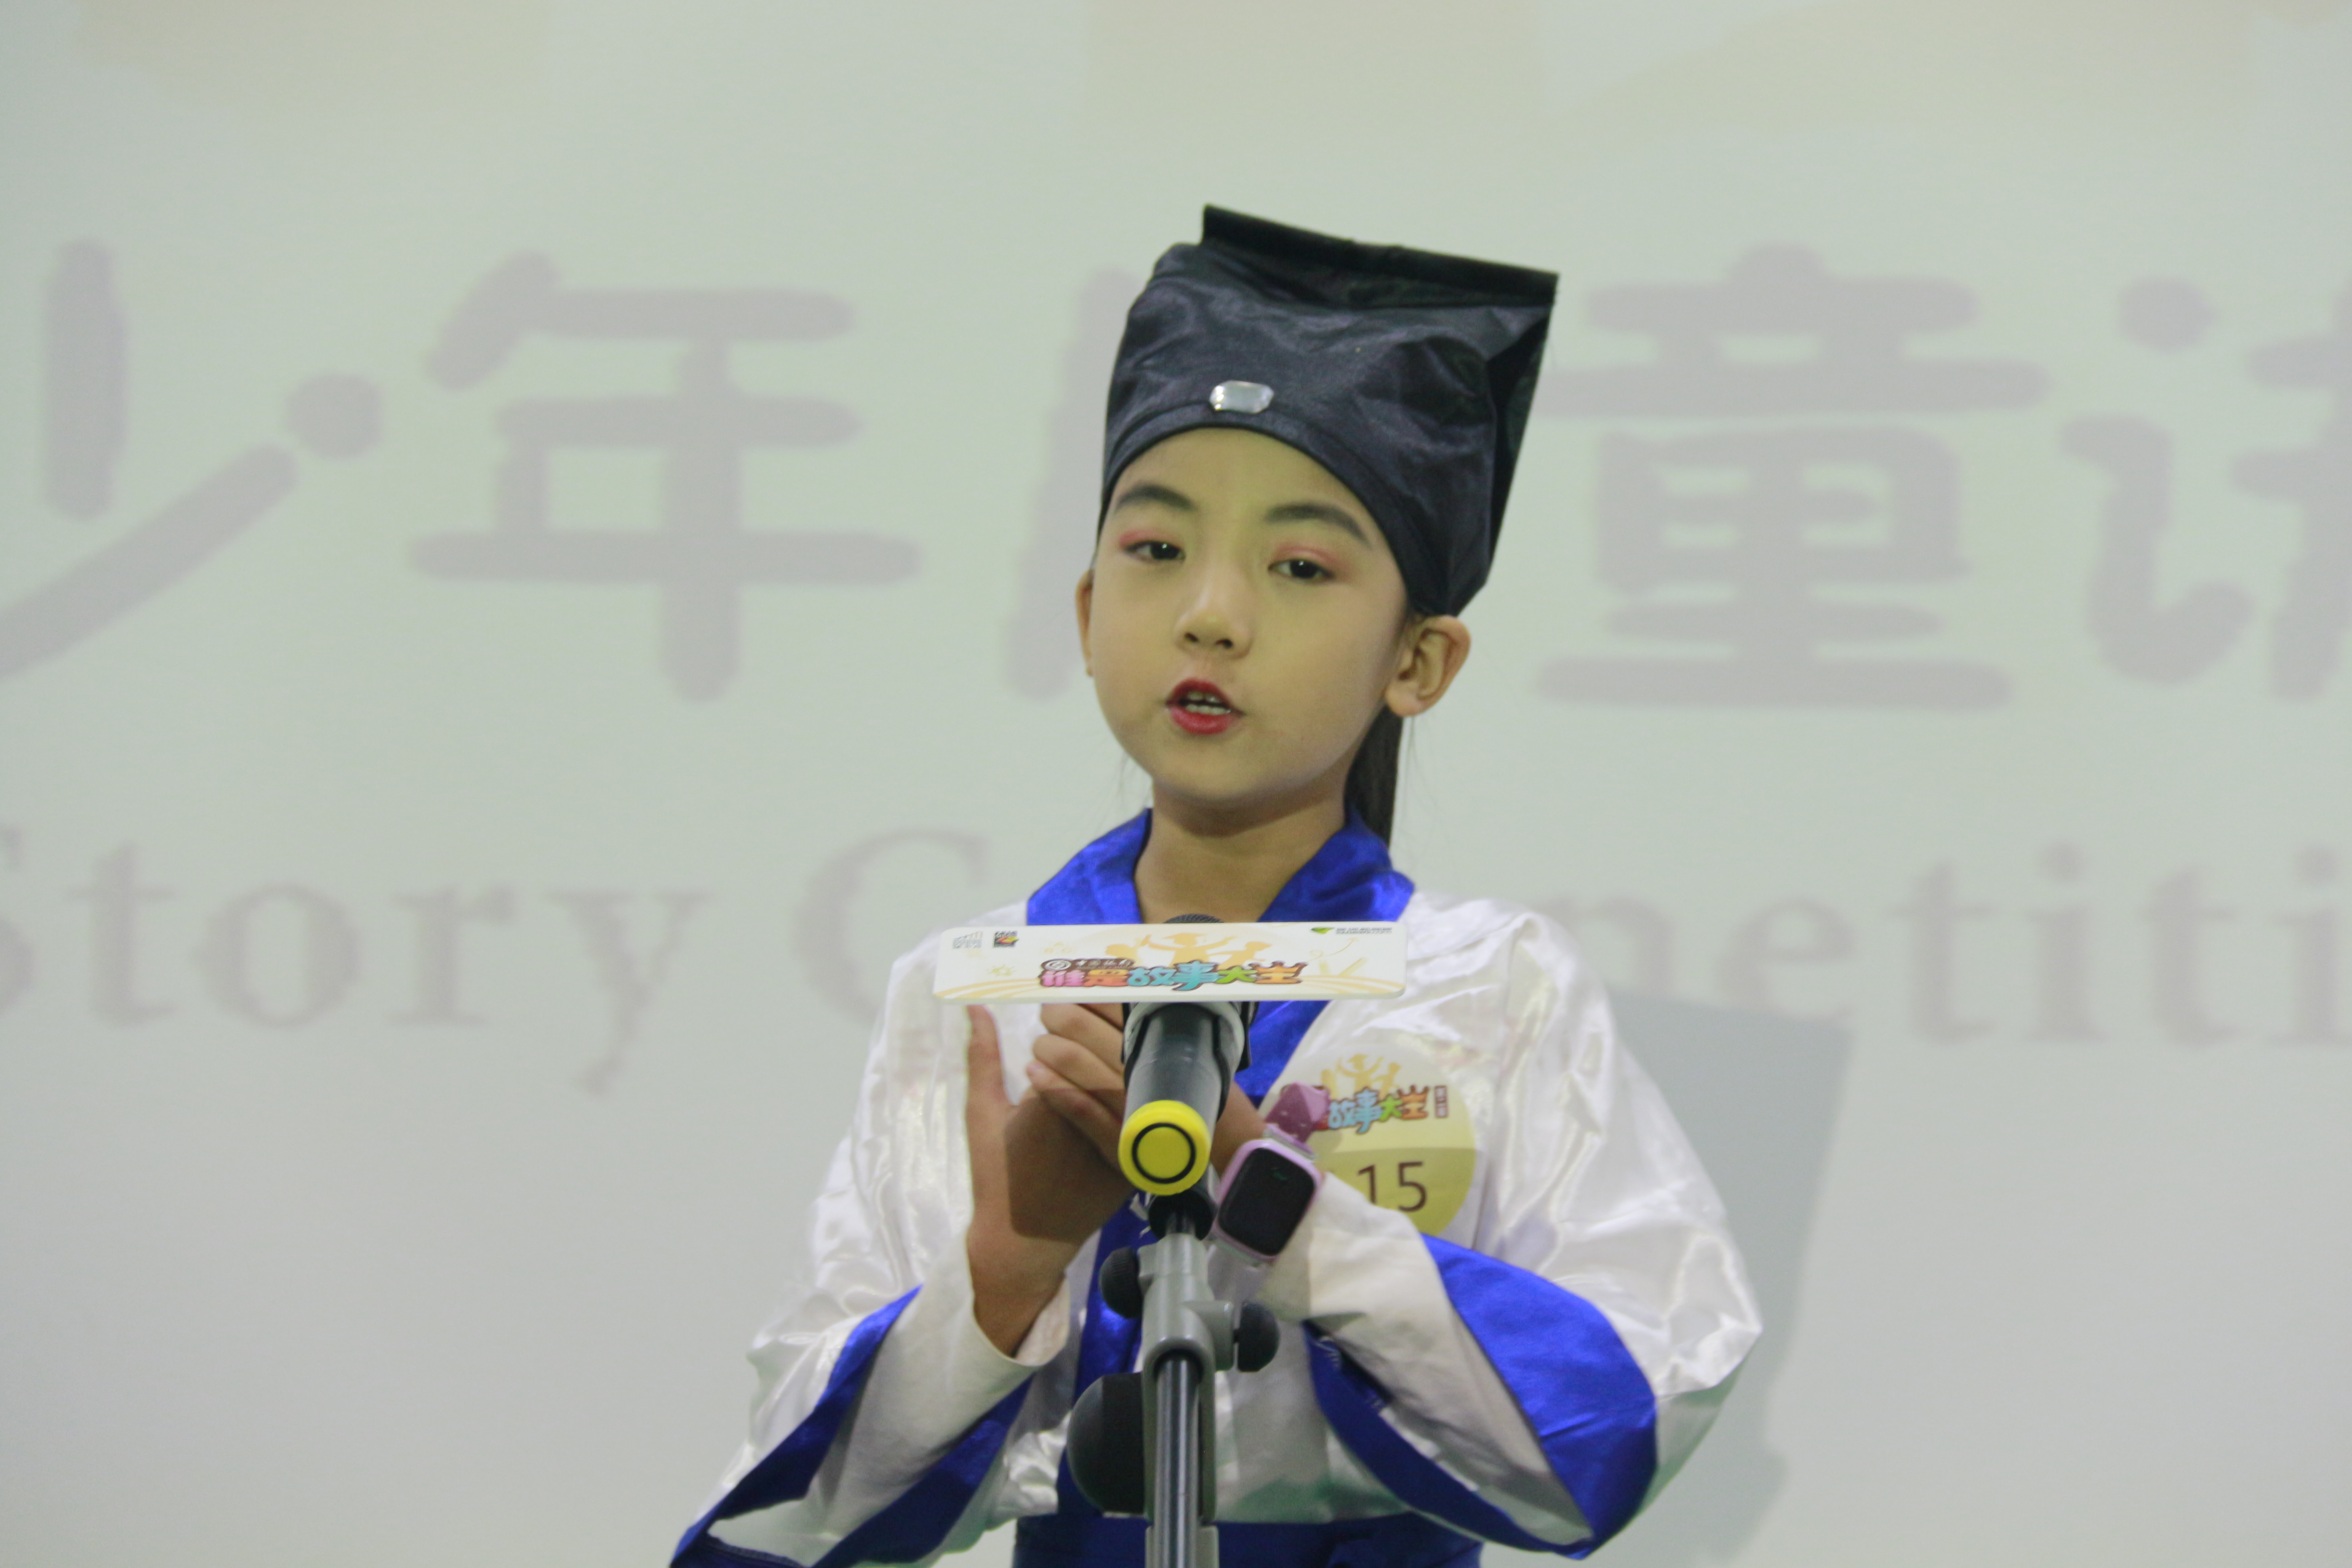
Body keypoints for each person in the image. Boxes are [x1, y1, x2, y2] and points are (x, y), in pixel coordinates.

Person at [675, 209, 1759, 1568]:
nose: (1211, 614)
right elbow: (792, 1514)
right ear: (1087, 616)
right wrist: (1008, 1269)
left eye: (1300, 567)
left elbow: (1630, 1417)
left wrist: (1272, 1199)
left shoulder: (1484, 988)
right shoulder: (984, 993)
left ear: (1417, 662)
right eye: (1156, 550)